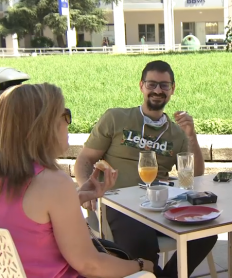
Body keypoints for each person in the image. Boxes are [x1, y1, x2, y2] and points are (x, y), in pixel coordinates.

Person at [75, 60, 217, 278]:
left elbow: (195, 175)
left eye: (164, 85)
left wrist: (191, 135)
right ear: (141, 86)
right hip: (120, 203)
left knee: (206, 231)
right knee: (142, 242)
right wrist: (86, 189)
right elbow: (85, 159)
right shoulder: (116, 118)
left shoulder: (177, 133)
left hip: (161, 202)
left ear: (172, 89)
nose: (158, 90)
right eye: (151, 84)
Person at [0, 83, 154, 277]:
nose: (68, 123)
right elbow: (91, 265)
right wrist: (141, 265)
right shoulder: (52, 183)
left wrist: (77, 197)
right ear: (46, 125)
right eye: (65, 115)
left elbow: (30, 220)